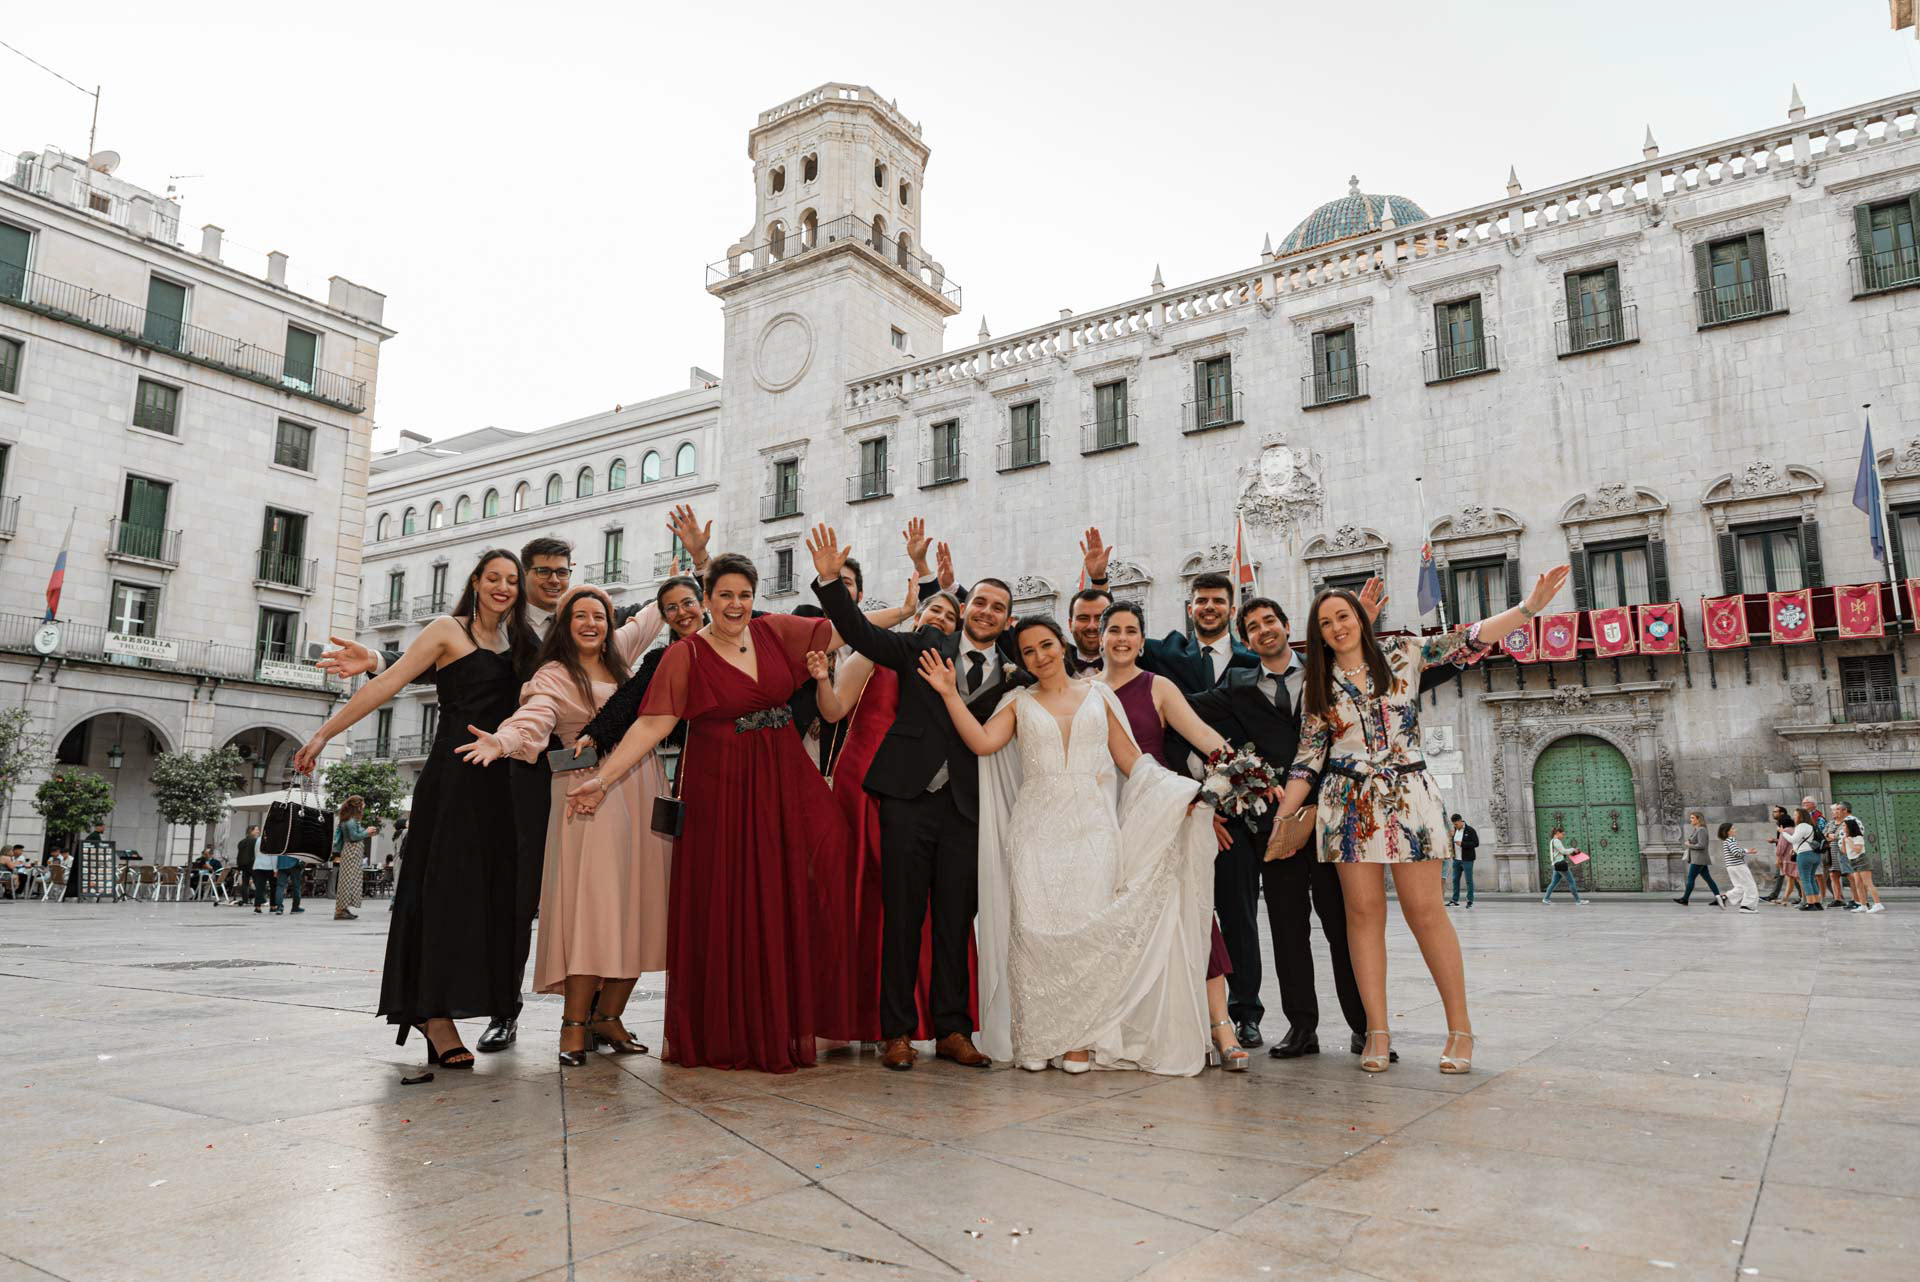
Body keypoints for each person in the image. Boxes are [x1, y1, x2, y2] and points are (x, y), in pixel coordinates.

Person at [317, 505, 714, 1054]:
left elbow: (662, 612)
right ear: (516, 579)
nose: (553, 581)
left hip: (552, 781)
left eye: (563, 572)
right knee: (503, 897)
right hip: (498, 767)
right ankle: (501, 1012)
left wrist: (696, 559)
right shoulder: (520, 636)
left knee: (544, 896)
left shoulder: (601, 633)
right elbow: (459, 659)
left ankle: (590, 1012)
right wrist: (379, 659)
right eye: (540, 573)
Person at [565, 552, 861, 1074]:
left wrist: (909, 607)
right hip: (718, 784)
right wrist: (603, 778)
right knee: (727, 896)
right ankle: (727, 1029)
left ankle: (789, 1015)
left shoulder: (775, 632)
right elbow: (652, 724)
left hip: (779, 776)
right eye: (724, 594)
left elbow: (846, 631)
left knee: (813, 865)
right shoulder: (687, 656)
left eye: (744, 594)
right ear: (708, 600)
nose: (736, 604)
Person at [1273, 567, 1570, 1075]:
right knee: (1362, 917)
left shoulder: (1404, 655)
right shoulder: (1317, 687)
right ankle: (1378, 1030)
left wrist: (1528, 609)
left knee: (1425, 912)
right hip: (1345, 804)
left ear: (1362, 620)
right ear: (1317, 634)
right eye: (1325, 623)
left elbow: (1468, 640)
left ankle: (1459, 1028)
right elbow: (1306, 759)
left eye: (1343, 616)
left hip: (1409, 795)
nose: (1336, 628)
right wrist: (1283, 817)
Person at [920, 615, 1218, 1076]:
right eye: (1029, 652)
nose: (1040, 656)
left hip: (1092, 826)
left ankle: (1079, 1040)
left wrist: (1177, 793)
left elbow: (1131, 760)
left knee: (1084, 927)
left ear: (1062, 645)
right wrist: (947, 694)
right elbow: (981, 742)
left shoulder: (1099, 695)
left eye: (1046, 645)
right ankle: (1037, 1036)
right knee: (1034, 929)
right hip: (1035, 825)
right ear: (1022, 660)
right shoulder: (1017, 702)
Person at [294, 547, 540, 1074]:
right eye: (493, 578)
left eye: (511, 581)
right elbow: (389, 683)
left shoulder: (522, 642)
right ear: (475, 582)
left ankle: (465, 1004)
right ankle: (434, 1018)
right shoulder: (446, 630)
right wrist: (323, 734)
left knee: (488, 901)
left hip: (503, 785)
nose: (503, 587)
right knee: (443, 894)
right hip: (452, 783)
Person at [809, 525, 1014, 1073]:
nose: (987, 612)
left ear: (1007, 620)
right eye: (981, 604)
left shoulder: (1014, 669)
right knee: (902, 918)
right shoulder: (924, 644)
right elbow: (857, 632)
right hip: (905, 799)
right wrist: (831, 581)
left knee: (953, 920)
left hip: (968, 809)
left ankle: (952, 1030)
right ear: (967, 610)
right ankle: (896, 1031)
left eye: (999, 607)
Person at [459, 582, 669, 1066]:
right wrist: (504, 740)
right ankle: (573, 1025)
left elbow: (654, 617)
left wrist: (692, 566)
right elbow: (534, 717)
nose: (591, 623)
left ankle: (609, 1016)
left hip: (641, 782)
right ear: (564, 625)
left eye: (599, 615)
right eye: (580, 616)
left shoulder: (620, 655)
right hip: (586, 795)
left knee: (638, 901)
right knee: (594, 909)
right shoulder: (553, 674)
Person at [809, 582, 974, 1045]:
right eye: (932, 610)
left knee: (930, 911)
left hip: (934, 798)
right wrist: (822, 680)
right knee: (869, 902)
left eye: (949, 615)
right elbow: (835, 710)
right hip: (865, 784)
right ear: (915, 619)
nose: (940, 617)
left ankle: (938, 1022)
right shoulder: (880, 653)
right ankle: (870, 1019)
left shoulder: (952, 668)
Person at [1094, 600, 1249, 1070]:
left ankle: (1221, 1025)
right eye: (1114, 629)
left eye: (1131, 631)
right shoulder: (1081, 691)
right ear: (1100, 637)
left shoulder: (1157, 687)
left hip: (1161, 811)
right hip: (1102, 817)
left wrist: (1240, 779)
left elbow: (1206, 738)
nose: (1122, 638)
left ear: (1143, 641)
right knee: (1116, 920)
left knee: (1189, 913)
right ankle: (1124, 1024)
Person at [1831, 802, 1884, 913]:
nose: (1836, 811)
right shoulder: (1847, 832)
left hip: (1861, 860)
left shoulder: (1856, 831)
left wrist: (1848, 840)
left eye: (1839, 809)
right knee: (1858, 883)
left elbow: (1857, 849)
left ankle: (1878, 904)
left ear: (1845, 810)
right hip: (1852, 859)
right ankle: (1862, 904)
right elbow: (1844, 849)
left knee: (1867, 883)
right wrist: (1844, 843)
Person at [1676, 812, 1726, 907]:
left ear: (1698, 819)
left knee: (1691, 879)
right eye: (1690, 818)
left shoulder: (1701, 830)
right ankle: (1718, 898)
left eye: (1692, 818)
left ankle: (1685, 899)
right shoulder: (1697, 830)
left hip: (1698, 859)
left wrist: (1689, 845)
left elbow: (1702, 845)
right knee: (1708, 879)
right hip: (1699, 859)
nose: (1690, 819)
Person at [332, 797, 370, 921]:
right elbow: (354, 837)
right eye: (363, 803)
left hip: (350, 851)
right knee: (348, 880)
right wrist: (367, 832)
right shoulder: (351, 821)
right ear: (357, 805)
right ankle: (340, 910)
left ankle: (343, 909)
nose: (364, 806)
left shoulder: (348, 820)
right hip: (351, 851)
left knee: (348, 880)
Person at [1066, 584, 1114, 675]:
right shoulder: (1053, 668)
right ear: (1070, 624)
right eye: (1083, 618)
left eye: (1100, 618)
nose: (1091, 626)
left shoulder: (1137, 665)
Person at [1760, 807, 1799, 904]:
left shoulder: (1784, 830)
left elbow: (1782, 845)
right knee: (1792, 877)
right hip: (1793, 856)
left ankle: (1803, 897)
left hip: (1787, 857)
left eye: (1775, 812)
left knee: (1793, 878)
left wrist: (1778, 858)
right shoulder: (1793, 829)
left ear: (1782, 813)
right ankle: (1786, 898)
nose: (1773, 813)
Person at [1719, 822, 1759, 912]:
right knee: (1750, 885)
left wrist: (1746, 850)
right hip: (1738, 866)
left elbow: (1734, 851)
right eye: (1733, 829)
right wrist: (1747, 851)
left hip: (1730, 867)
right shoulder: (1731, 839)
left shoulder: (1725, 841)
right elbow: (1736, 852)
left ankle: (1724, 897)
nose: (1735, 830)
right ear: (1727, 832)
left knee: (1740, 887)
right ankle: (1747, 906)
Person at [1788, 807, 1823, 912]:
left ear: (1801, 816)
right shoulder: (1812, 826)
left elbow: (1793, 839)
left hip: (1804, 855)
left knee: (1805, 880)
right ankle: (1817, 903)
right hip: (1815, 855)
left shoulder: (1801, 826)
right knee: (1812, 879)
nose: (1794, 817)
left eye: (1795, 815)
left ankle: (1810, 903)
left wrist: (1783, 832)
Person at [1543, 826, 1584, 904]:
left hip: (1556, 864)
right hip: (1560, 864)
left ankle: (1546, 899)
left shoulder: (1552, 841)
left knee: (1554, 882)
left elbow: (1560, 852)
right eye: (1563, 834)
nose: (1563, 836)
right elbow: (1563, 851)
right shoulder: (1556, 841)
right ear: (1558, 833)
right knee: (1571, 881)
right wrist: (1573, 849)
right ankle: (1578, 901)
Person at [1448, 815, 1479, 907]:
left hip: (1467, 859)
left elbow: (1476, 843)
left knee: (1469, 880)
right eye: (1454, 824)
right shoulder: (1454, 830)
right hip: (1456, 860)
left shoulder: (1470, 830)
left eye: (1456, 824)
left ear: (1461, 821)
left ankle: (1470, 900)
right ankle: (1455, 900)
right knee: (1455, 880)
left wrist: (1463, 844)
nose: (1455, 825)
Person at [234, 825, 260, 908]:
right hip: (253, 864)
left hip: (243, 865)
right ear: (251, 831)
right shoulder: (255, 841)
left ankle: (245, 900)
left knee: (245, 883)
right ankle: (261, 900)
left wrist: (238, 867)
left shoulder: (241, 842)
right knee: (258, 882)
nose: (258, 831)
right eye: (256, 830)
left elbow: (239, 856)